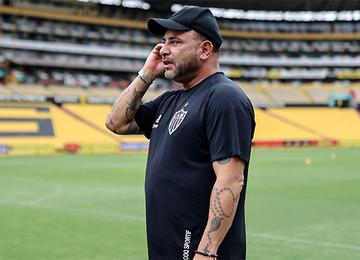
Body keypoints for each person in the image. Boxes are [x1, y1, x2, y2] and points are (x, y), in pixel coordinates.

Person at [106, 6, 255, 260]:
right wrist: (147, 73)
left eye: (175, 41)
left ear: (205, 50)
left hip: (199, 252)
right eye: (164, 41)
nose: (163, 49)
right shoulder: (170, 100)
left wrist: (207, 251)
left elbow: (231, 180)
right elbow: (116, 122)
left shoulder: (224, 97)